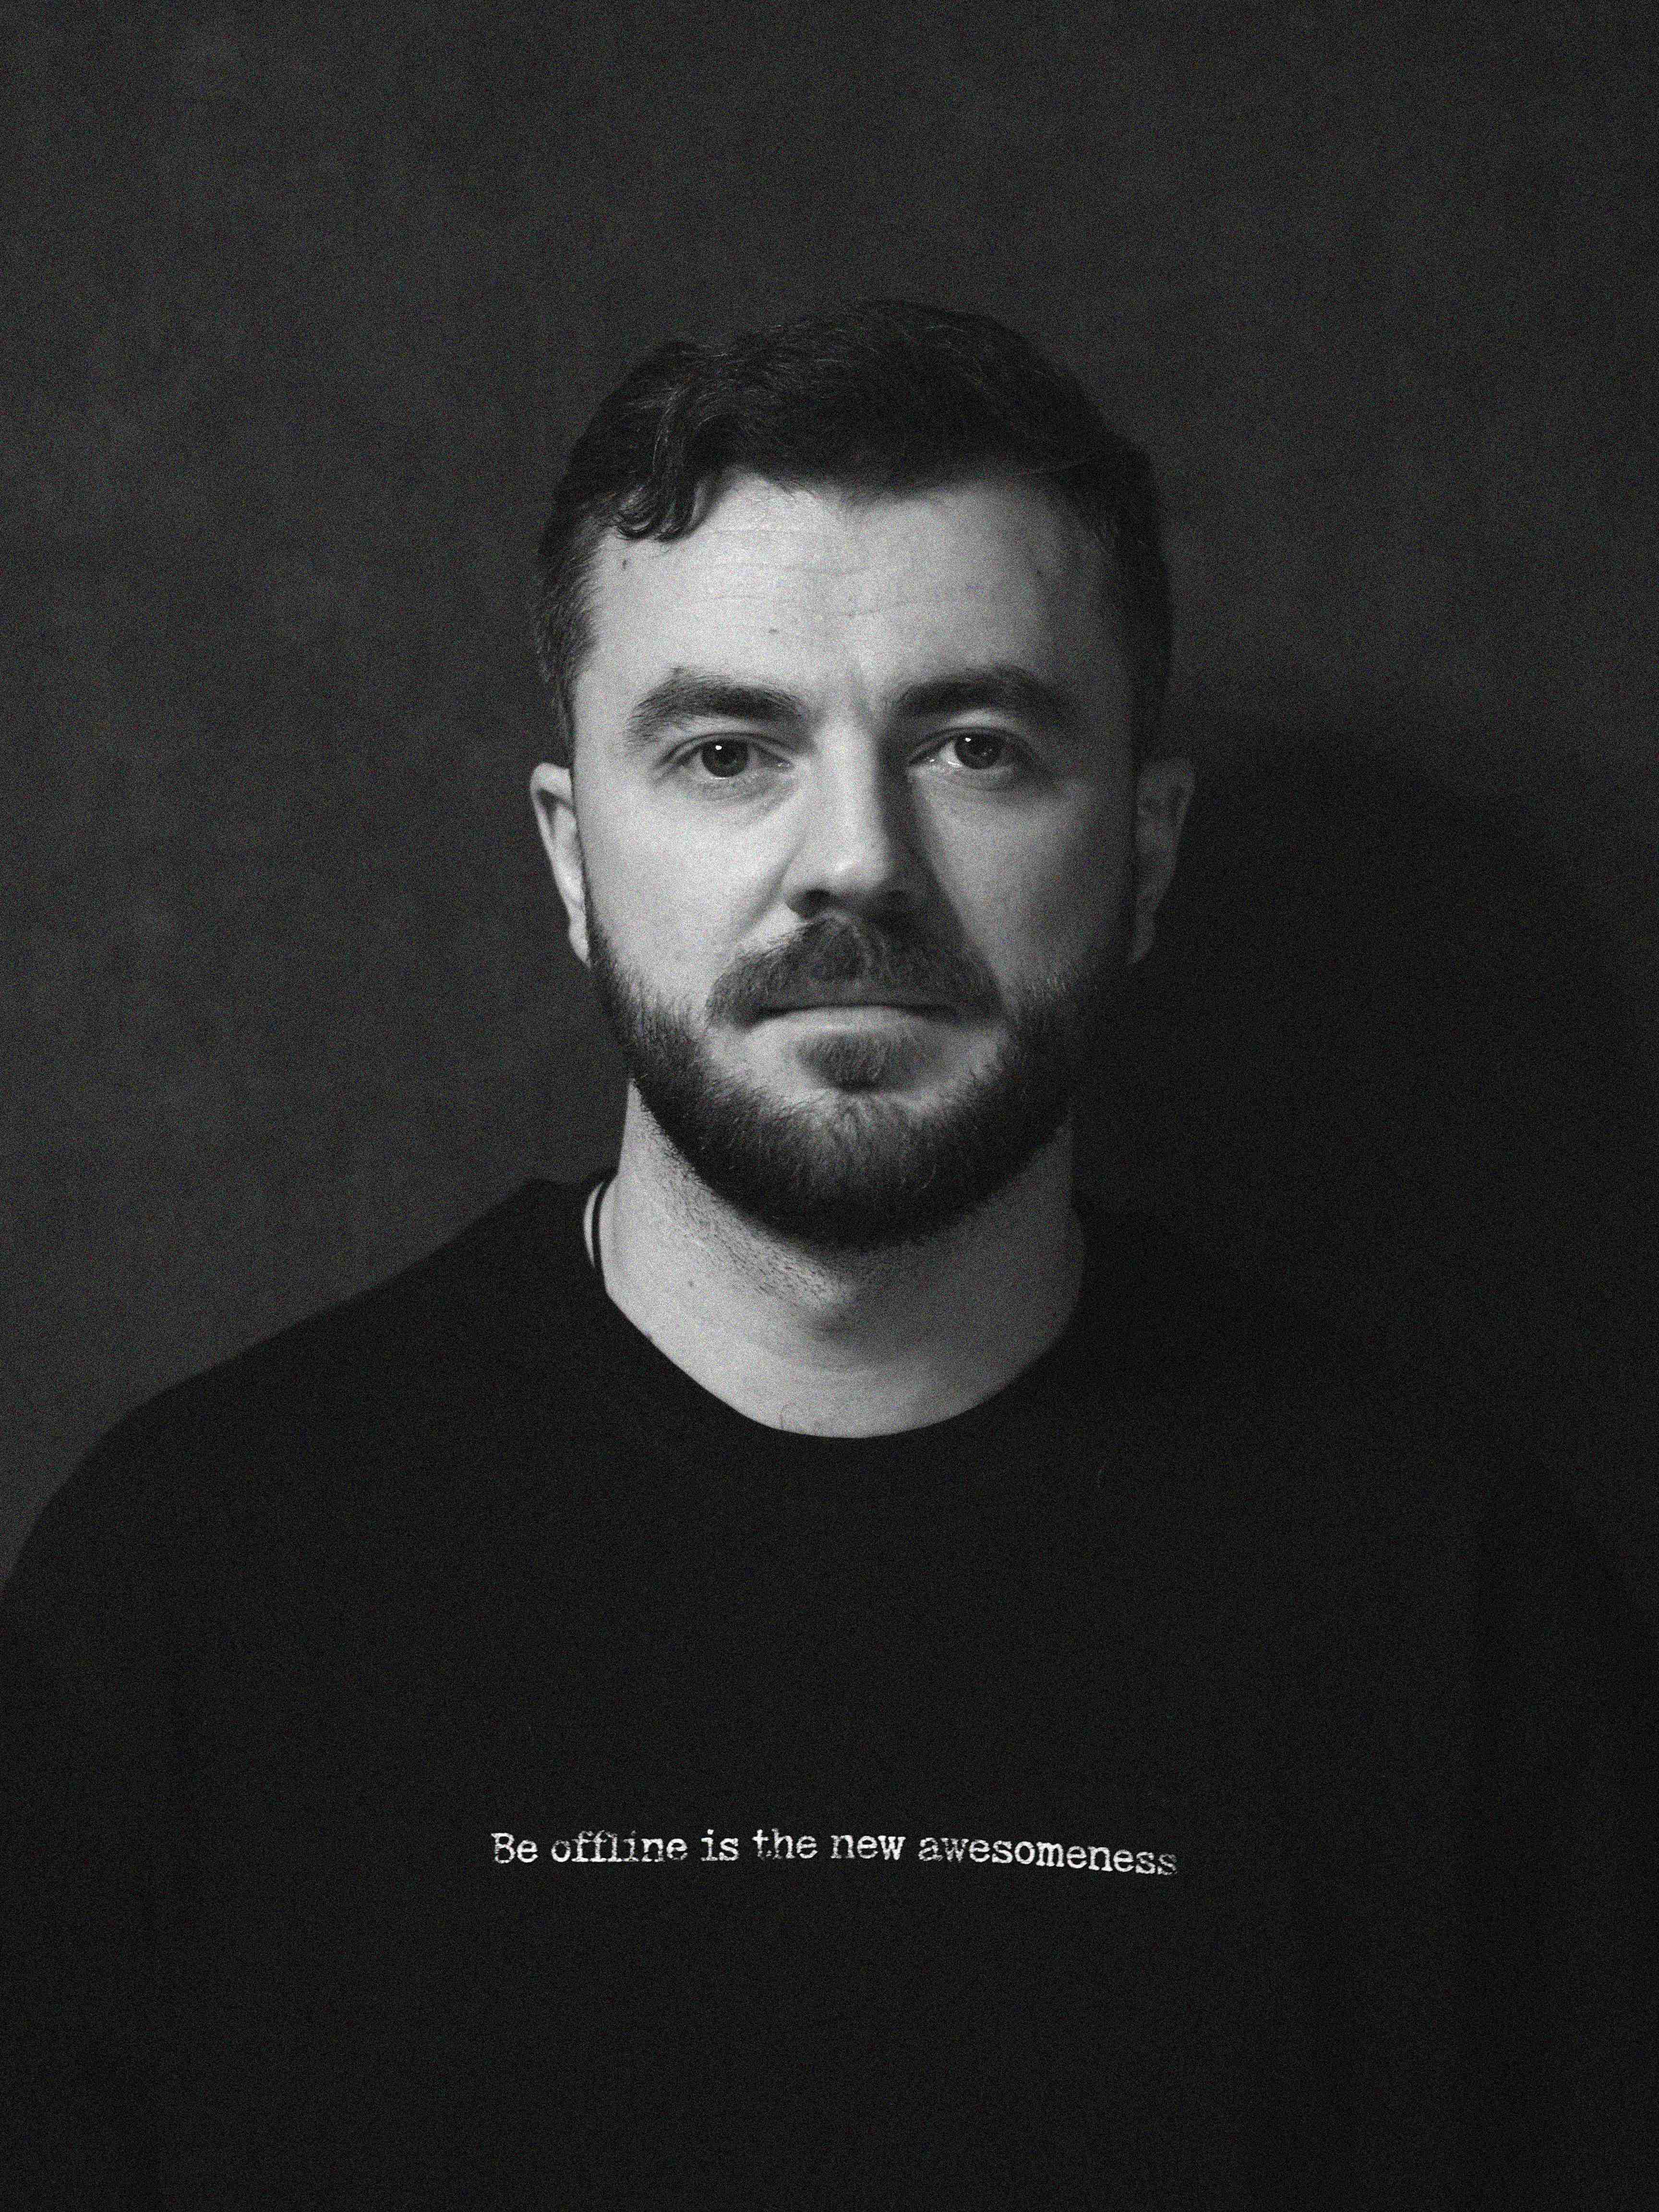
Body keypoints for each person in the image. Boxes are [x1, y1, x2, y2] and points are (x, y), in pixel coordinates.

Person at [1, 301, 1652, 2209]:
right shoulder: (190, 1588)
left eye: (975, 745)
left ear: (1146, 852)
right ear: (571, 857)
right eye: (727, 751)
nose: (855, 860)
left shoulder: (1454, 1623)